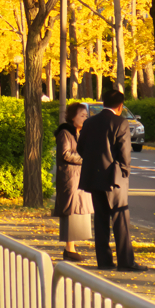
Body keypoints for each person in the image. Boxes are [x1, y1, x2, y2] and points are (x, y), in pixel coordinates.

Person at [76, 90, 143, 271]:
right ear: (120, 106)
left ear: (103, 102)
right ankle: (125, 262)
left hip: (93, 177)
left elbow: (81, 148)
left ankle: (104, 261)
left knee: (100, 219)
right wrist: (124, 171)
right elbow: (124, 152)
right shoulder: (120, 122)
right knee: (120, 218)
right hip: (114, 177)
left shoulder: (89, 122)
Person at [53, 102, 93, 262]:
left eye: (86, 116)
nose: (85, 118)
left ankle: (72, 246)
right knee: (71, 211)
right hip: (70, 178)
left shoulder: (81, 133)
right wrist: (86, 159)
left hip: (80, 177)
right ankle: (69, 248)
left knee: (79, 210)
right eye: (82, 115)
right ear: (73, 117)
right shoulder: (65, 132)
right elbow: (66, 154)